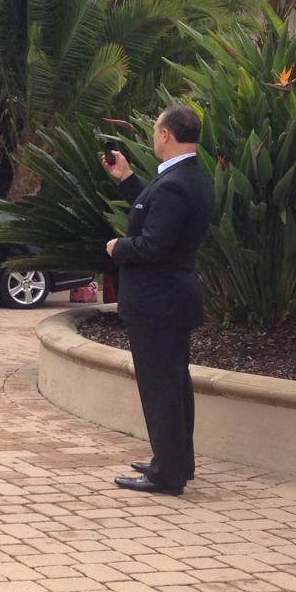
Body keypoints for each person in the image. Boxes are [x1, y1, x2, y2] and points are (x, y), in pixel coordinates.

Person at [101, 105, 216, 496]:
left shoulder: (175, 184)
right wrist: (126, 179)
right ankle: (177, 461)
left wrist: (118, 247)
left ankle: (167, 474)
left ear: (166, 134)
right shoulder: (188, 177)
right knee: (174, 383)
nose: (153, 136)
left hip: (158, 302)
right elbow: (156, 215)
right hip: (171, 299)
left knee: (161, 388)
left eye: (155, 130)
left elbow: (153, 245)